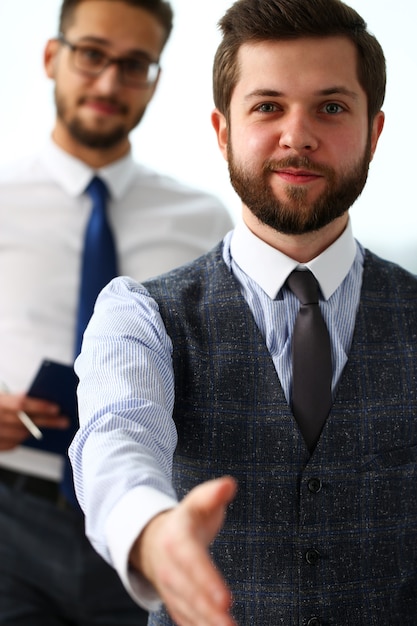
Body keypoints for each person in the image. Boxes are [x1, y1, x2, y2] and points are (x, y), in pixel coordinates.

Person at [71, 0, 417, 623]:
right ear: (223, 130)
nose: (298, 135)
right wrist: (151, 532)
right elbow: (116, 436)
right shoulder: (141, 316)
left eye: (331, 107)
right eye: (268, 107)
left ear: (375, 131)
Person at [0, 0, 233, 624]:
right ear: (53, 57)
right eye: (92, 55)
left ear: (155, 79)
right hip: (11, 520)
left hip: (149, 522)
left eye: (134, 65)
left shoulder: (203, 221)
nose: (109, 83)